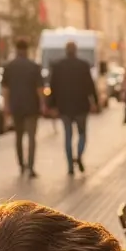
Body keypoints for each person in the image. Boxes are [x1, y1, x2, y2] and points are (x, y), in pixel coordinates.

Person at [48, 41, 99, 176]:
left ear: (66, 51)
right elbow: (90, 86)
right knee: (82, 134)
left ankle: (70, 166)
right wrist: (95, 102)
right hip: (81, 106)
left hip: (64, 107)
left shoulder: (58, 67)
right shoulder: (83, 65)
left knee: (68, 136)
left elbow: (53, 87)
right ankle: (79, 155)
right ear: (76, 51)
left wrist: (52, 105)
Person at [1, 38, 44, 178]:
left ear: (16, 49)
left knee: (18, 137)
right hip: (32, 106)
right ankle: (31, 167)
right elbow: (39, 89)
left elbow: (5, 89)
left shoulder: (9, 67)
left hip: (16, 106)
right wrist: (43, 105)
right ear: (27, 50)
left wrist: (6, 106)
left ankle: (21, 165)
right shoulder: (34, 66)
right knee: (31, 138)